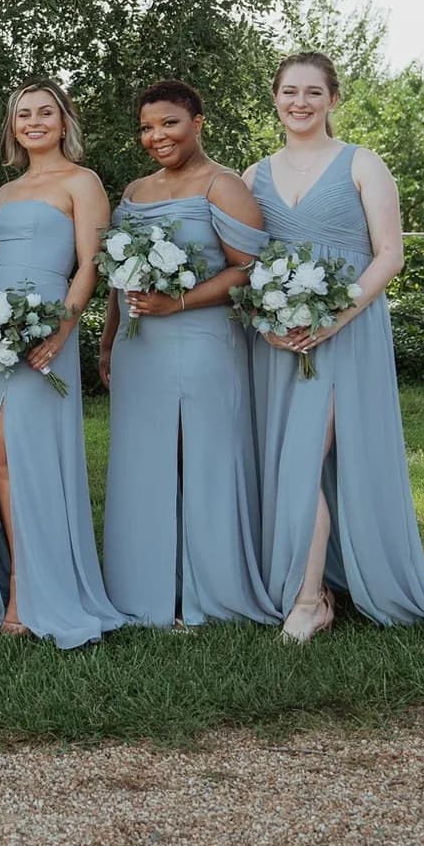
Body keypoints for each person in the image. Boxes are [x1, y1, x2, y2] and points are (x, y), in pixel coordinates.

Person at [244, 52, 424, 642]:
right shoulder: (252, 176)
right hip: (278, 340)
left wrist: (333, 317)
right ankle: (316, 584)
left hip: (345, 333)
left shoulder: (363, 164)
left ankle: (308, 601)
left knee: (306, 457)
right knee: (286, 462)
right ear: (274, 98)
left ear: (333, 99)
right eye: (289, 92)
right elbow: (243, 267)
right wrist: (263, 322)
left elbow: (389, 255)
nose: (300, 103)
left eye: (313, 93)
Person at [98, 80, 278, 628]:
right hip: (139, 345)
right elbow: (116, 276)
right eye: (148, 127)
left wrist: (177, 302)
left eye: (169, 123)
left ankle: (202, 596)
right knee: (144, 462)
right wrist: (107, 339)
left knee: (196, 458)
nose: (157, 136)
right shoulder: (133, 190)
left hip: (201, 342)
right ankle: (144, 591)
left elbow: (250, 271)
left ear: (197, 123)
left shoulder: (222, 186)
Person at [0, 82, 126, 646]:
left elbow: (90, 265)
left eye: (45, 113)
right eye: (22, 114)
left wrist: (63, 329)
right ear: (13, 127)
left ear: (63, 122)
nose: (33, 122)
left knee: (19, 456)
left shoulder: (83, 183)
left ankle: (24, 595)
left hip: (45, 335)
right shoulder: (4, 194)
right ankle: (19, 584)